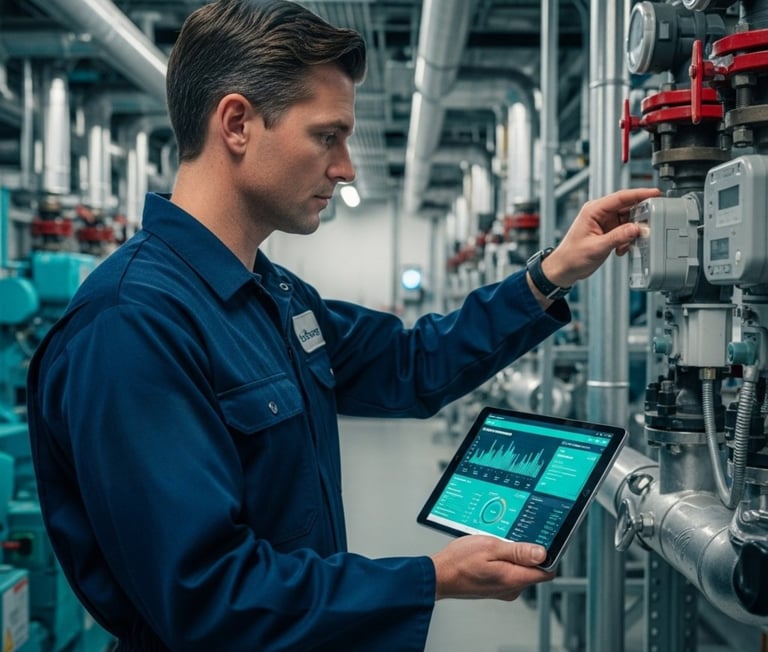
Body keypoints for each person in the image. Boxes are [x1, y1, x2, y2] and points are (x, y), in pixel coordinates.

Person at [25, 1, 660, 650]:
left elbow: (411, 366)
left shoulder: (273, 296)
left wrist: (550, 272)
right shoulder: (133, 326)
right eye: (327, 135)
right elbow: (209, 598)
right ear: (238, 123)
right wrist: (427, 579)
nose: (347, 167)